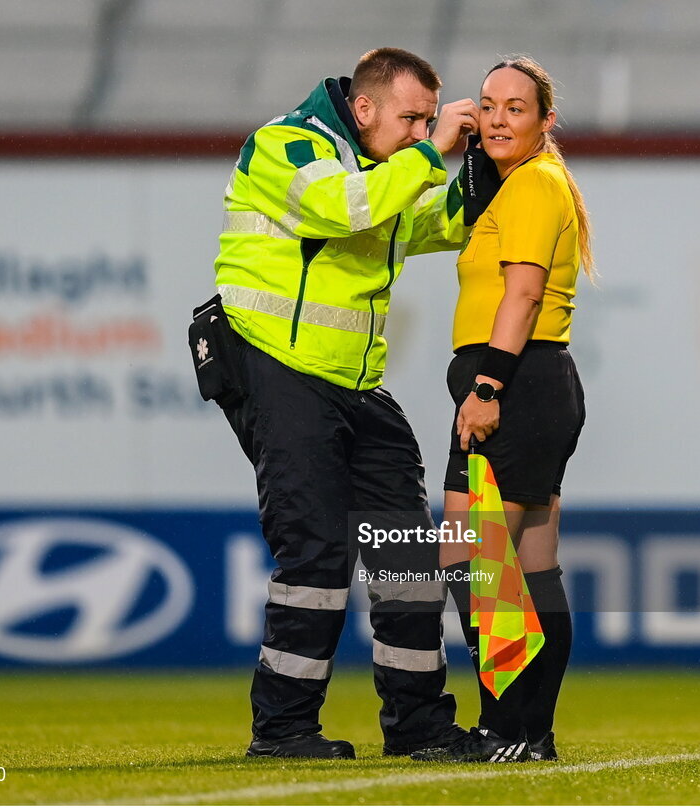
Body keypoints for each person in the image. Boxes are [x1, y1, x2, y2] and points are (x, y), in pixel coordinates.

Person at [210, 47, 483, 759]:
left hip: (358, 387)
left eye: (431, 119)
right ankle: (283, 729)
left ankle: (418, 725)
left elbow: (433, 225)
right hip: (279, 369)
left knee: (406, 558)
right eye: (411, 118)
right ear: (362, 108)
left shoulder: (383, 168)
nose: (424, 133)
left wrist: (483, 169)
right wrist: (433, 157)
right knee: (316, 555)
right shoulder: (286, 144)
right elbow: (341, 208)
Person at [414, 56, 595, 763]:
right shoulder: (526, 185)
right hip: (539, 384)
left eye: (515, 107)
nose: (495, 118)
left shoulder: (532, 186)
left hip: (515, 386)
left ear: (546, 120)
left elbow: (520, 295)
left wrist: (485, 388)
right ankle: (532, 733)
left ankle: (504, 728)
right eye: (486, 105)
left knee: (471, 559)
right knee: (531, 563)